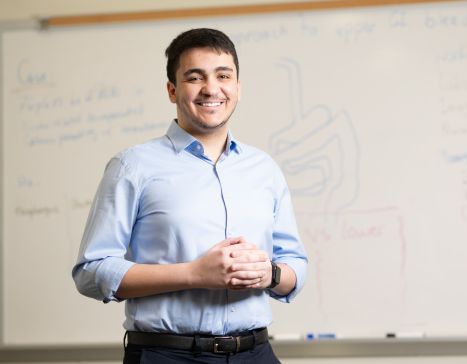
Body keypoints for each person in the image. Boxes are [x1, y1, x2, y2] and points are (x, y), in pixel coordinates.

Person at [72, 28, 307, 364]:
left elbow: (295, 265)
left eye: (223, 75)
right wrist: (194, 274)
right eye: (195, 77)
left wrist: (270, 274)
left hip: (255, 353)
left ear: (237, 87)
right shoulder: (132, 166)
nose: (211, 88)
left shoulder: (264, 168)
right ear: (172, 90)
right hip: (166, 355)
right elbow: (91, 272)